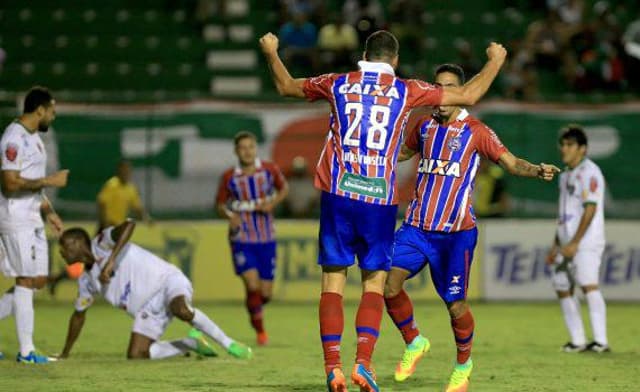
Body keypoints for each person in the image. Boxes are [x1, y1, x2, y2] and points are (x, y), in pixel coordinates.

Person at [259, 30, 507, 392]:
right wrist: (496, 60)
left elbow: (285, 86)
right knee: (374, 283)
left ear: (363, 55)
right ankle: (363, 364)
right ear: (394, 60)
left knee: (333, 281)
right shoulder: (407, 90)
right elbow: (468, 95)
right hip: (378, 199)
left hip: (340, 193)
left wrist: (271, 52)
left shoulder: (339, 83)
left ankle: (333, 368)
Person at [383, 64, 560, 391]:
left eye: (449, 87)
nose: (442, 94)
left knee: (456, 306)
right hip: (417, 227)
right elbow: (401, 154)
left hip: (455, 235)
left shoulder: (477, 131)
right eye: (437, 87)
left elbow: (511, 163)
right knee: (388, 285)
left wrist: (536, 170)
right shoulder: (422, 127)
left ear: (461, 94)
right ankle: (414, 341)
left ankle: (463, 365)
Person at [55, 220, 253, 360]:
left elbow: (130, 224)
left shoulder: (103, 242)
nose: (62, 253)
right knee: (137, 355)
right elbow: (78, 316)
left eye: (64, 248)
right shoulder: (85, 281)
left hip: (166, 281)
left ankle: (229, 343)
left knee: (181, 310)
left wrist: (112, 259)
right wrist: (65, 352)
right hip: (147, 309)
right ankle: (191, 344)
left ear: (78, 243)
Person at [0, 86, 69, 363]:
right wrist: (49, 181)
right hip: (15, 216)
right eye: (51, 111)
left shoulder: (35, 139)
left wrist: (48, 210)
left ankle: (26, 349)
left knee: (37, 280)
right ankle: (27, 351)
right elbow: (10, 182)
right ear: (39, 110)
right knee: (25, 280)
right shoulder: (13, 139)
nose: (53, 116)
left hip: (33, 216)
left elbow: (31, 183)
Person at [215, 131, 289, 346]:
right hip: (242, 238)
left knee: (265, 294)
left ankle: (253, 307)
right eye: (242, 148)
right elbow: (219, 204)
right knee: (252, 283)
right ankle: (261, 332)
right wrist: (230, 216)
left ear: (255, 149)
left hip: (266, 237)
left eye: (250, 147)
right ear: (236, 151)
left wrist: (273, 203)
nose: (247, 151)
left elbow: (284, 188)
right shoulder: (230, 176)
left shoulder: (268, 170)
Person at [545, 125, 609, 353]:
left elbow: (590, 209)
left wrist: (575, 242)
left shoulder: (590, 172)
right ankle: (578, 340)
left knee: (588, 285)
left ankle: (601, 341)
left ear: (583, 149)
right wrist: (556, 244)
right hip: (566, 243)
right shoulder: (566, 175)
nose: (565, 149)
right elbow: (564, 215)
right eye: (563, 144)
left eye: (570, 145)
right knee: (562, 285)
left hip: (586, 241)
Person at [97, 160, 149, 232]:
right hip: (107, 225)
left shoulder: (131, 188)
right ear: (119, 171)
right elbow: (101, 203)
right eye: (123, 170)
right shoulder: (111, 184)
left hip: (119, 227)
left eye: (128, 170)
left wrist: (146, 219)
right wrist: (105, 223)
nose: (126, 172)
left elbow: (137, 208)